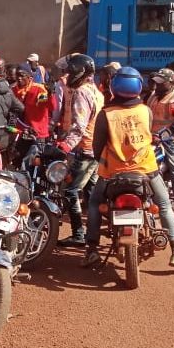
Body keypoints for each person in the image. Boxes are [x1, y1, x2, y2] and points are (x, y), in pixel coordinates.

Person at [83, 67, 174, 270]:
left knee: (95, 203)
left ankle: (92, 250)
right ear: (138, 87)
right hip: (146, 170)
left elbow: (97, 147)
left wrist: (104, 160)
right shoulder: (145, 110)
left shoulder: (106, 115)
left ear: (114, 87)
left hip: (112, 172)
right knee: (165, 205)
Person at [56, 53, 104, 246]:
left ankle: (78, 235)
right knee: (91, 194)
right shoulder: (96, 91)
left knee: (70, 191)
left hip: (86, 150)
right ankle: (93, 236)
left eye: (70, 72)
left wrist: (65, 145)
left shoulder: (82, 92)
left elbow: (79, 126)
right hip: (97, 150)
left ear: (79, 72)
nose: (67, 76)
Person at [145, 68, 174, 223]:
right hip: (151, 139)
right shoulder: (153, 96)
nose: (157, 85)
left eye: (161, 83)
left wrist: (166, 133)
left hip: (171, 140)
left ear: (170, 82)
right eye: (156, 82)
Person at [13, 65, 53, 138]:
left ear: (30, 78)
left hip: (37, 133)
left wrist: (50, 95)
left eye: (22, 76)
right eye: (17, 75)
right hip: (21, 132)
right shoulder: (13, 90)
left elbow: (49, 105)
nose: (19, 78)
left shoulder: (38, 89)